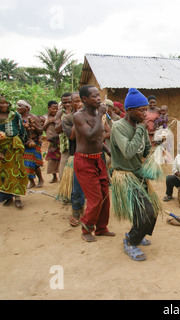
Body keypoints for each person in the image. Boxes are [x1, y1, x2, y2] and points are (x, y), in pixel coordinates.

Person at [110, 88, 162, 261]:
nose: (145, 113)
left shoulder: (141, 128)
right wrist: (141, 129)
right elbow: (129, 151)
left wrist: (156, 148)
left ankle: (138, 235)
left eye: (146, 110)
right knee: (145, 211)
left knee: (152, 210)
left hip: (138, 175)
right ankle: (130, 241)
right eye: (142, 110)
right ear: (130, 110)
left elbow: (145, 149)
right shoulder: (119, 127)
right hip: (125, 176)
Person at [73, 85, 114, 242]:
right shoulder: (79, 116)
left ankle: (102, 228)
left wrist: (108, 151)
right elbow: (90, 135)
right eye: (95, 96)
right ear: (85, 99)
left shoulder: (98, 115)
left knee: (105, 195)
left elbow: (99, 138)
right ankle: (86, 229)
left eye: (99, 96)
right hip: (84, 161)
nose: (99, 99)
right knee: (95, 198)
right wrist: (100, 116)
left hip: (98, 159)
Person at [0, 94, 29, 209]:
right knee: (2, 173)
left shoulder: (15, 115)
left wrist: (21, 146)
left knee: (18, 171)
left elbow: (21, 132)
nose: (4, 105)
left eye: (6, 103)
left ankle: (18, 197)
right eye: (1, 103)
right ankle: (7, 197)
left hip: (14, 148)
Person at [61, 92, 86, 227]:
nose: (79, 104)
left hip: (92, 155)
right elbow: (71, 136)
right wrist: (79, 118)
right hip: (77, 155)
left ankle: (90, 213)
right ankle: (76, 211)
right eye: (75, 101)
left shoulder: (92, 115)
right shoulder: (68, 118)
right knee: (77, 187)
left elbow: (105, 132)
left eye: (81, 100)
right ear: (71, 104)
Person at [17, 100, 45, 189]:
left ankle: (40, 179)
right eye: (17, 106)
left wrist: (33, 125)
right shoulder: (17, 118)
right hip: (23, 143)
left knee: (35, 163)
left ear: (27, 108)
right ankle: (32, 181)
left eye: (20, 106)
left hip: (34, 142)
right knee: (26, 163)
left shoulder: (34, 117)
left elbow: (40, 131)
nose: (18, 108)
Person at [55, 93, 73, 180]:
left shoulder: (81, 112)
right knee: (63, 176)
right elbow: (57, 129)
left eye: (69, 102)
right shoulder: (60, 114)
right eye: (64, 103)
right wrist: (67, 117)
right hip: (65, 149)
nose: (67, 105)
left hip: (78, 149)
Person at [43, 101, 61, 184]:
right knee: (52, 159)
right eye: (53, 108)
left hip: (59, 141)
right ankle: (54, 176)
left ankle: (61, 176)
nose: (55, 110)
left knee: (60, 159)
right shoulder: (45, 117)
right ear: (48, 108)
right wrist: (49, 122)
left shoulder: (59, 117)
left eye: (56, 109)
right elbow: (42, 128)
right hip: (51, 141)